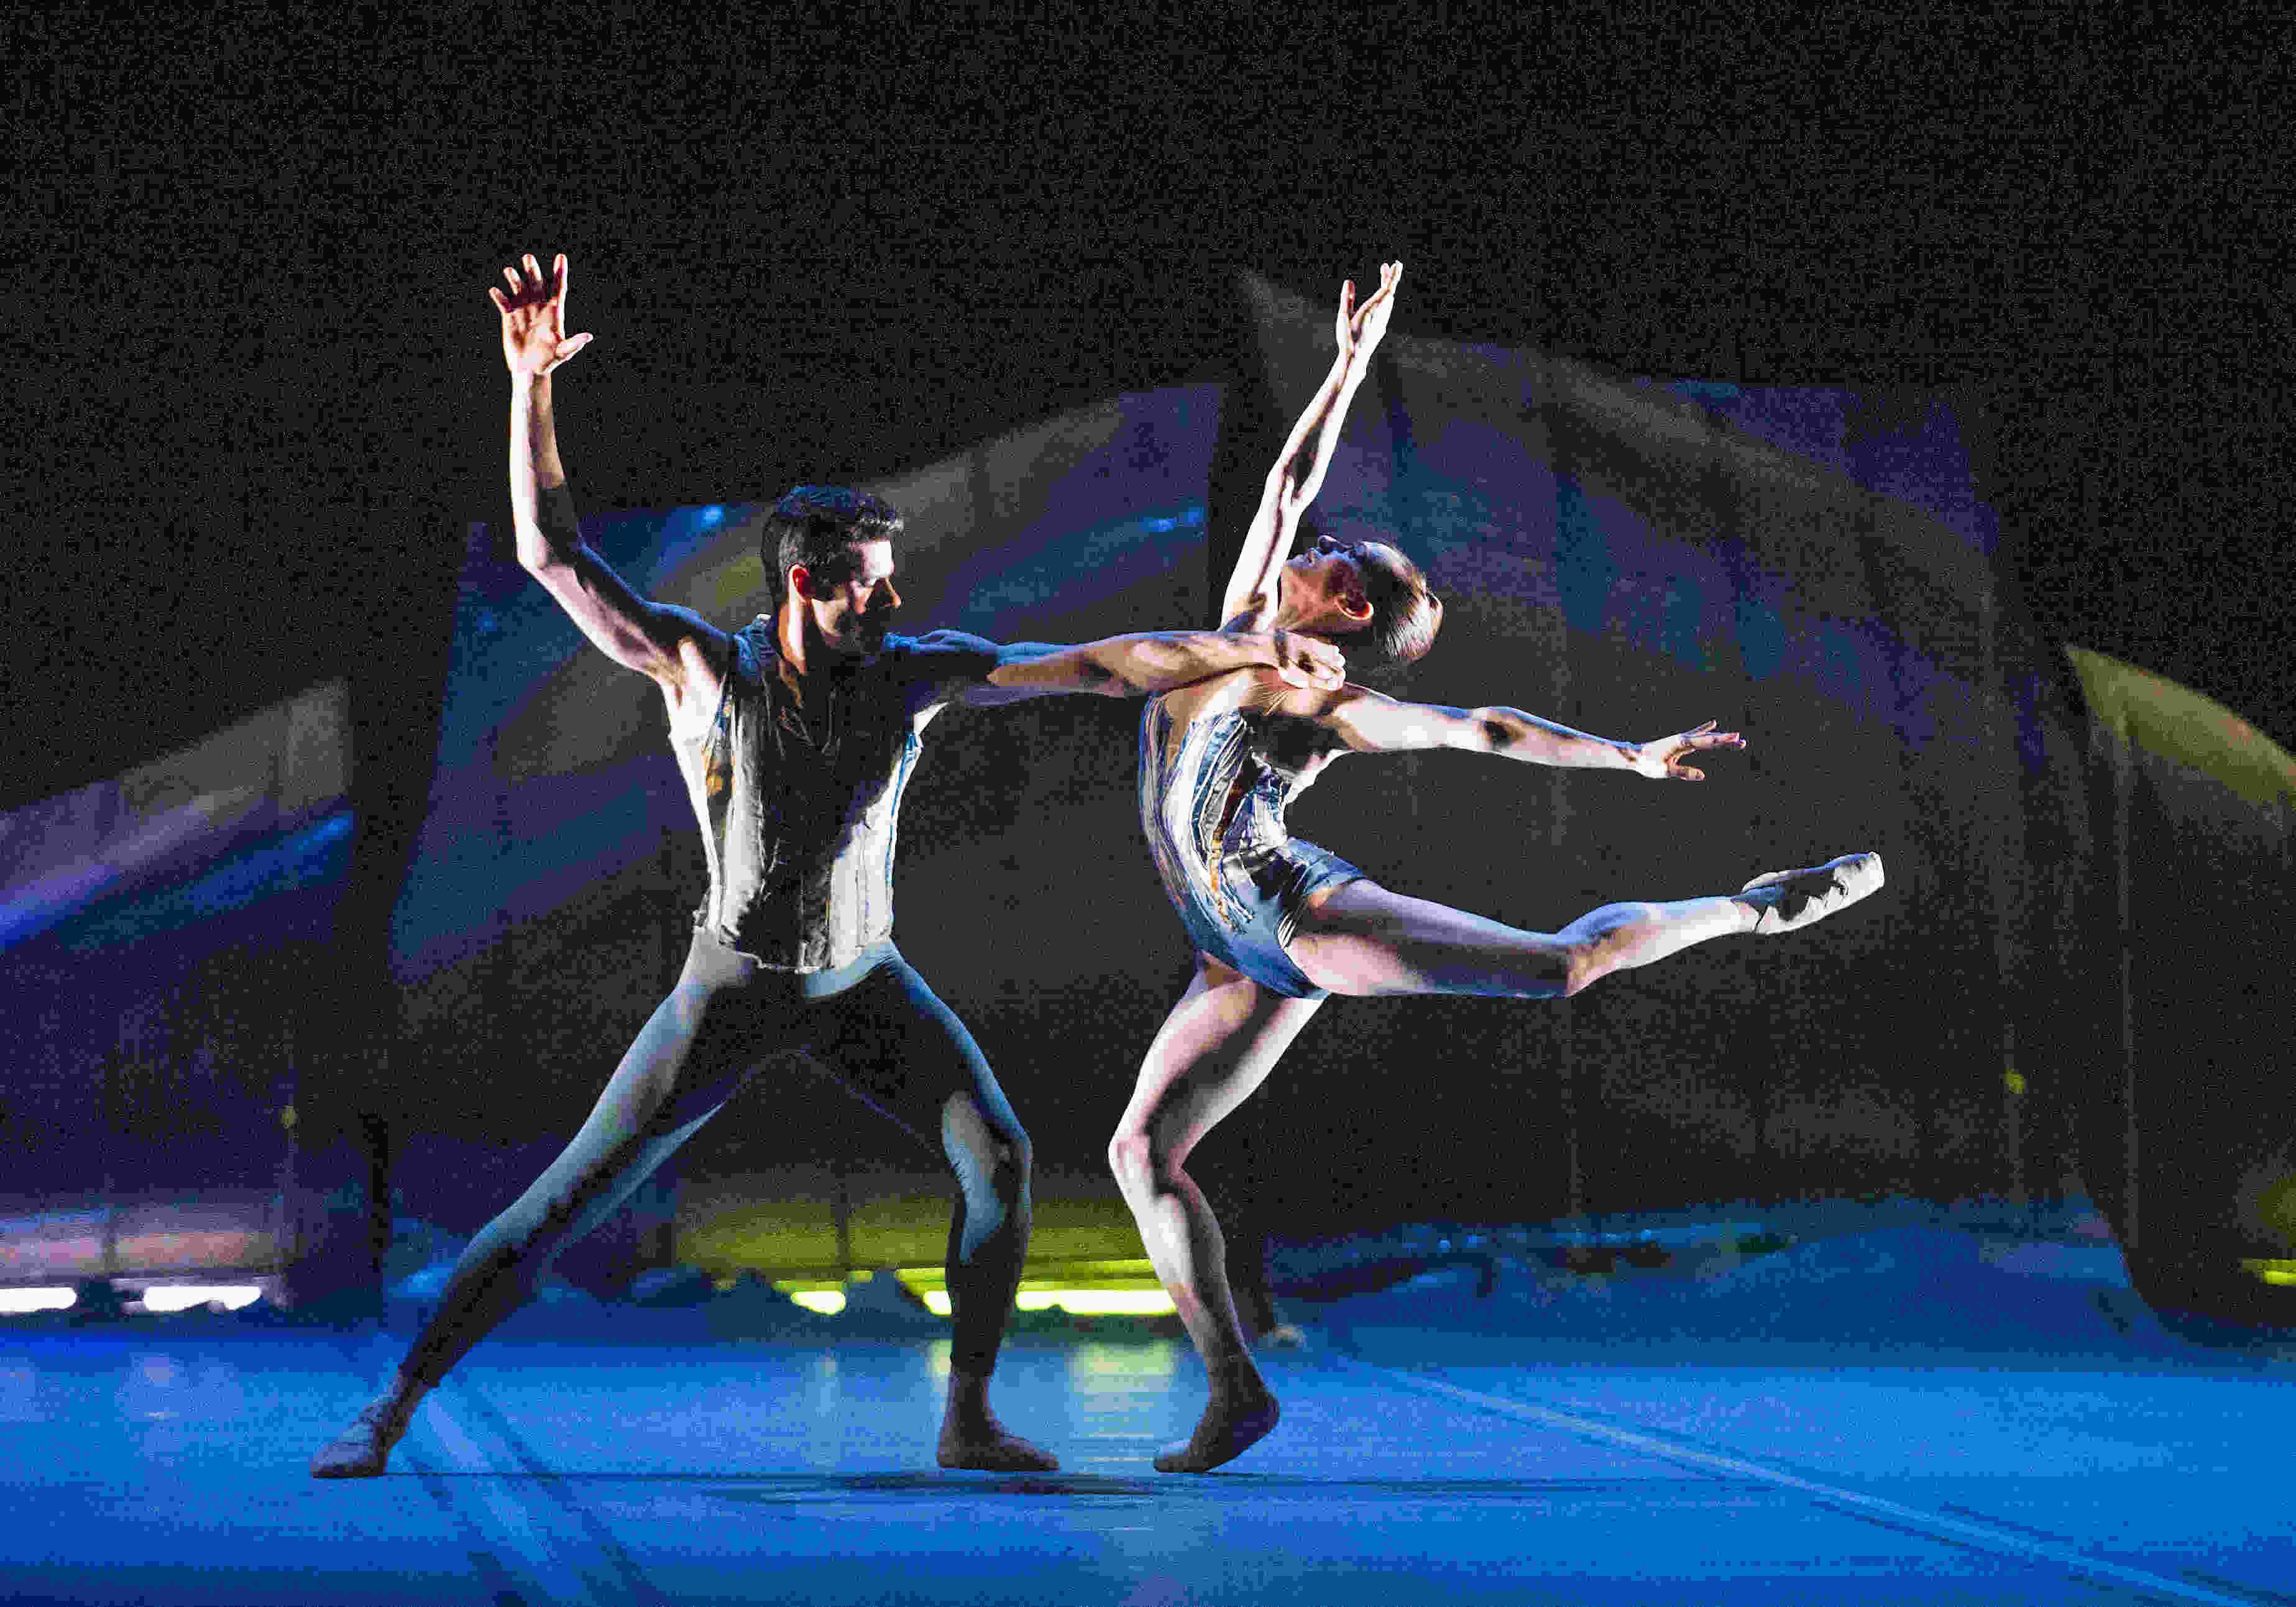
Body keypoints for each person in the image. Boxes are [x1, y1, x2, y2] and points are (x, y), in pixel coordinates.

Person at [311, 252, 1350, 1480]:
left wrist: (1253, 650)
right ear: (805, 584)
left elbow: (1098, 663)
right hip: (729, 991)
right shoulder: (703, 672)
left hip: (864, 984)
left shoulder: (912, 673)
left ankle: (965, 1418)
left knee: (1000, 1160)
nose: (892, 597)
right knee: (557, 1207)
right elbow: (549, 556)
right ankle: (390, 1406)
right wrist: (530, 385)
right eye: (868, 584)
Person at [1110, 261, 1885, 1473]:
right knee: (1139, 1153)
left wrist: (1630, 759)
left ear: (1348, 613)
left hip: (1288, 909)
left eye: (1329, 558)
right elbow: (1281, 480)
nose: (1303, 548)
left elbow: (1481, 730)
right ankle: (1232, 1391)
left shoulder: (1322, 703)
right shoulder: (1233, 628)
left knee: (1559, 968)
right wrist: (1351, 361)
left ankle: (1744, 909)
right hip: (1223, 950)